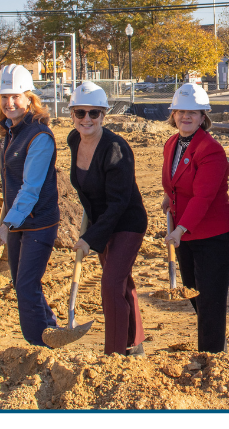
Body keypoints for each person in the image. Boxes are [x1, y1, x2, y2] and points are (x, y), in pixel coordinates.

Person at [66, 82, 148, 356]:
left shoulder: (116, 148)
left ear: (104, 115)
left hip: (126, 223)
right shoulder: (74, 140)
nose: (87, 119)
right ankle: (134, 341)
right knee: (121, 281)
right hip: (101, 222)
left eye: (94, 113)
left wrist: (90, 239)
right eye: (80, 112)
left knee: (111, 285)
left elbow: (118, 203)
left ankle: (114, 353)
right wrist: (92, 226)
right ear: (72, 114)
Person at [161, 84, 229, 353]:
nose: (186, 116)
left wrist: (180, 229)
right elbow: (175, 180)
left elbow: (203, 196)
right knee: (193, 291)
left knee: (210, 301)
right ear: (173, 114)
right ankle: (216, 344)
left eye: (192, 112)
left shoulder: (211, 149)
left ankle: (211, 358)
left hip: (214, 234)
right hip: (186, 234)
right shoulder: (172, 144)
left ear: (203, 116)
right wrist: (169, 196)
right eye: (181, 111)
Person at [0, 64, 60, 347]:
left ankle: (38, 345)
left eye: (15, 96)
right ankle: (50, 328)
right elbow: (11, 184)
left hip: (38, 222)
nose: (9, 103)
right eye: (4, 97)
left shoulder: (39, 135)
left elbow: (31, 188)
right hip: (18, 220)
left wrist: (6, 225)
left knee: (27, 285)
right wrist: (6, 219)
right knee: (21, 284)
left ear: (29, 98)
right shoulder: (9, 132)